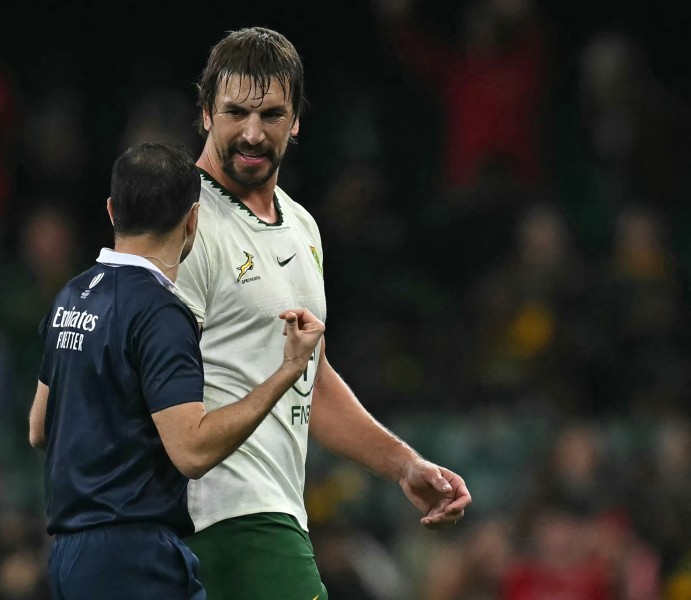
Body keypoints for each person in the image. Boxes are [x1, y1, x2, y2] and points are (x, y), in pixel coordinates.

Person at [172, 26, 473, 599]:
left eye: (272, 114)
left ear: (298, 120)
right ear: (205, 113)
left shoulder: (303, 225)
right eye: (236, 112)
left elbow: (312, 380)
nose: (253, 133)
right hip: (218, 518)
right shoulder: (180, 222)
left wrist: (404, 465)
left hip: (276, 510)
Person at [27, 141, 325, 599]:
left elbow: (39, 428)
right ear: (192, 219)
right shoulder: (161, 312)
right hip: (133, 555)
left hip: (68, 556)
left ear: (111, 210)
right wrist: (287, 371)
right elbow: (192, 451)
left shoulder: (71, 295)